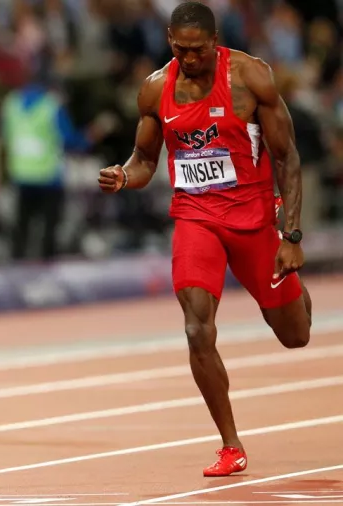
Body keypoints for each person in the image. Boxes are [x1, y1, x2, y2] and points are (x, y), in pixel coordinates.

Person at [98, 1, 311, 477]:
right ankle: (230, 444)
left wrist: (291, 234)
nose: (188, 59)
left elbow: (287, 158)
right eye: (179, 49)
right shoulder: (156, 89)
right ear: (170, 40)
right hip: (197, 220)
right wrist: (122, 176)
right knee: (197, 328)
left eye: (197, 50)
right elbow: (145, 160)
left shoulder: (251, 77)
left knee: (295, 335)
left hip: (255, 220)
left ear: (215, 42)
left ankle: (298, 294)